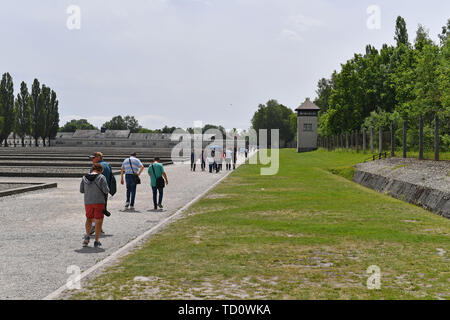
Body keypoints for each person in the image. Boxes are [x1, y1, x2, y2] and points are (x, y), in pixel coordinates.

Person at [80, 163, 109, 248]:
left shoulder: (84, 177)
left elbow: (81, 190)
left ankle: (87, 237)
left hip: (88, 202)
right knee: (98, 221)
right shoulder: (101, 177)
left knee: (89, 219)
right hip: (99, 202)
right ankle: (96, 241)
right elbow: (106, 190)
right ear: (101, 170)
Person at [89, 152, 112, 235]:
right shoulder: (108, 165)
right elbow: (111, 178)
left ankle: (94, 226)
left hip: (95, 192)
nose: (92, 160)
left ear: (99, 157)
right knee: (101, 210)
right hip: (104, 192)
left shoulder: (96, 167)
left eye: (93, 158)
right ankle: (99, 227)